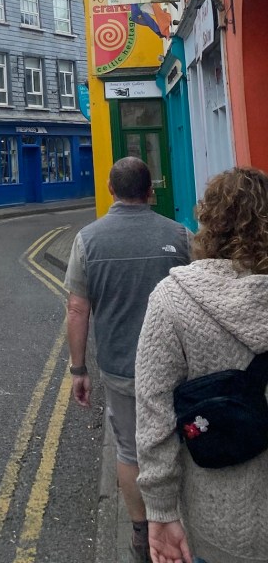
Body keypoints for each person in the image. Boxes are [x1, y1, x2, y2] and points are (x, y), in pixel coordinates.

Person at [135, 167, 268, 563]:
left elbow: (154, 414)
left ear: (209, 221)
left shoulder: (174, 300)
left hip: (220, 521)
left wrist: (160, 510)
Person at [65, 156, 191, 563]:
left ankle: (141, 532)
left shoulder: (87, 240)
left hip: (122, 368)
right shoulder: (181, 235)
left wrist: (79, 369)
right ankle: (182, 524)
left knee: (130, 450)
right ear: (150, 191)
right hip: (177, 369)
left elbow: (77, 309)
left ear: (110, 190)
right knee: (182, 443)